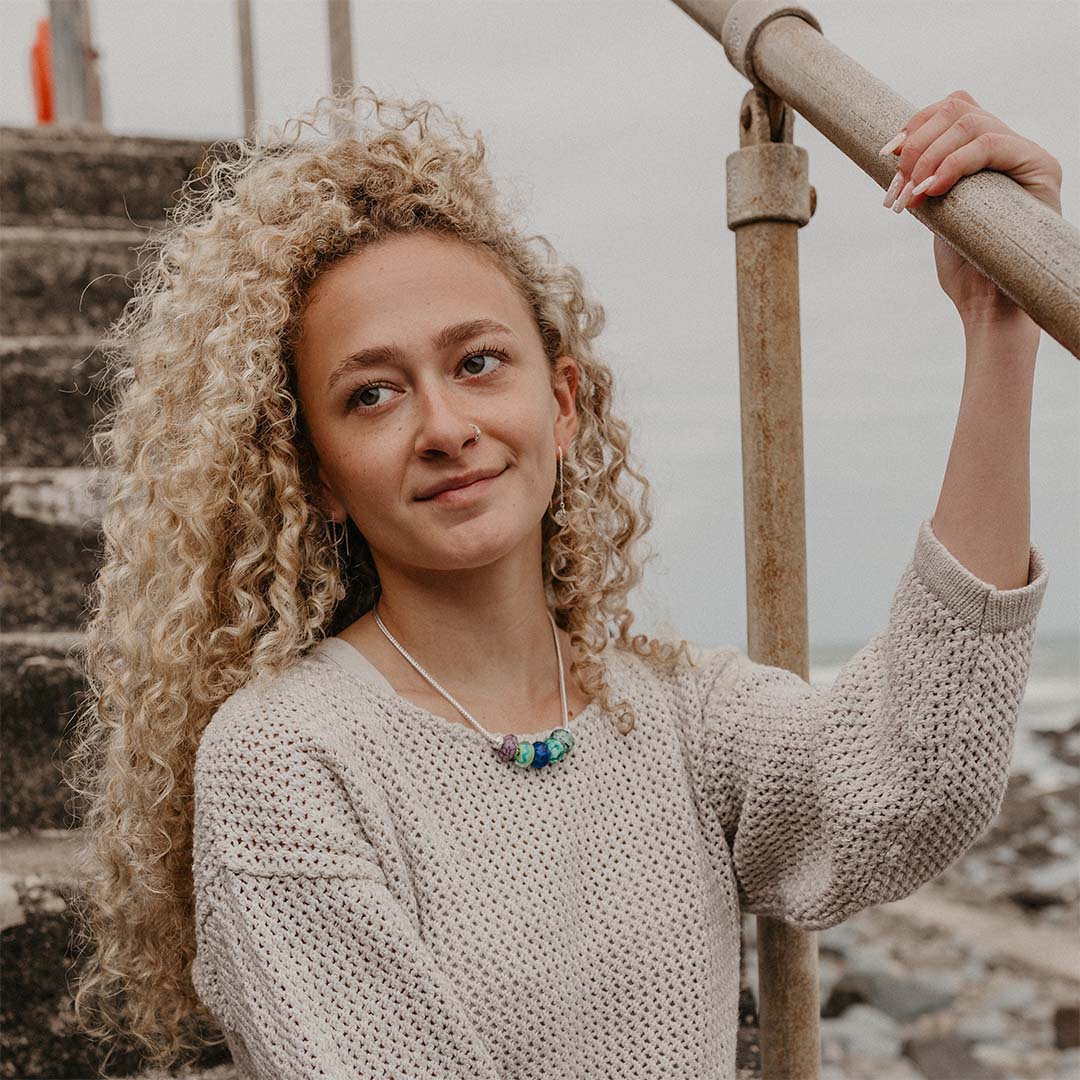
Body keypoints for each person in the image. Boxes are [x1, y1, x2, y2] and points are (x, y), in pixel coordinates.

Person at [65, 85, 1058, 1079]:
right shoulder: (288, 757)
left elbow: (908, 782)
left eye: (480, 362)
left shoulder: (675, 716)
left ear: (564, 400)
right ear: (317, 470)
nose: (445, 426)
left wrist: (1000, 326)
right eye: (372, 394)